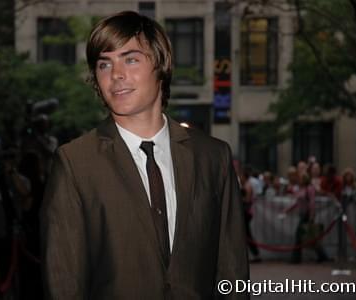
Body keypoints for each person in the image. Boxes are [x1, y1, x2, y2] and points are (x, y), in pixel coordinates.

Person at [41, 11, 249, 299]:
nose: (116, 75)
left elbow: (233, 272)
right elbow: (64, 282)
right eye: (104, 64)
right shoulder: (75, 163)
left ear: (161, 64)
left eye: (130, 59)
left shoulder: (213, 157)